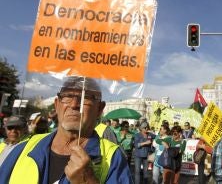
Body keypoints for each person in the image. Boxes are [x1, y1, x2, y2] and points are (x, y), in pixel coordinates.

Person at [0, 76, 132, 183]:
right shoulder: (24, 148)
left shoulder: (113, 157)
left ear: (99, 109)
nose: (74, 105)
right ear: (57, 105)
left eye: (85, 97)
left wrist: (88, 181)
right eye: (67, 96)